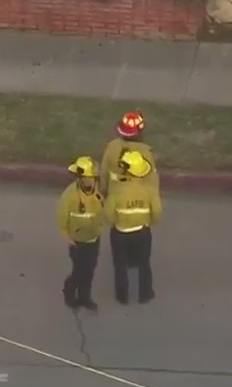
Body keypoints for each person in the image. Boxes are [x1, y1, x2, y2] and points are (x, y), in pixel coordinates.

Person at [104, 150, 162, 305]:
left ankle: (122, 296)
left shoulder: (117, 190)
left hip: (120, 233)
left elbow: (109, 213)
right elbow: (156, 211)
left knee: (120, 265)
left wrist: (115, 223)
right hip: (142, 232)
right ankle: (145, 293)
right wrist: (150, 222)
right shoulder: (149, 190)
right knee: (144, 262)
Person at [57, 156, 104, 311]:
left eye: (92, 178)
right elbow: (62, 219)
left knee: (89, 270)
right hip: (77, 241)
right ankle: (69, 292)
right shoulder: (70, 195)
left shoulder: (99, 191)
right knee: (79, 271)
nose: (90, 181)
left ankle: (85, 297)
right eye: (87, 178)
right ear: (80, 178)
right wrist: (67, 238)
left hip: (93, 239)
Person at [99, 111, 159, 195]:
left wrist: (103, 191)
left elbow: (104, 171)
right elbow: (151, 178)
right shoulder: (145, 151)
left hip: (115, 194)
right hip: (138, 196)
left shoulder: (112, 146)